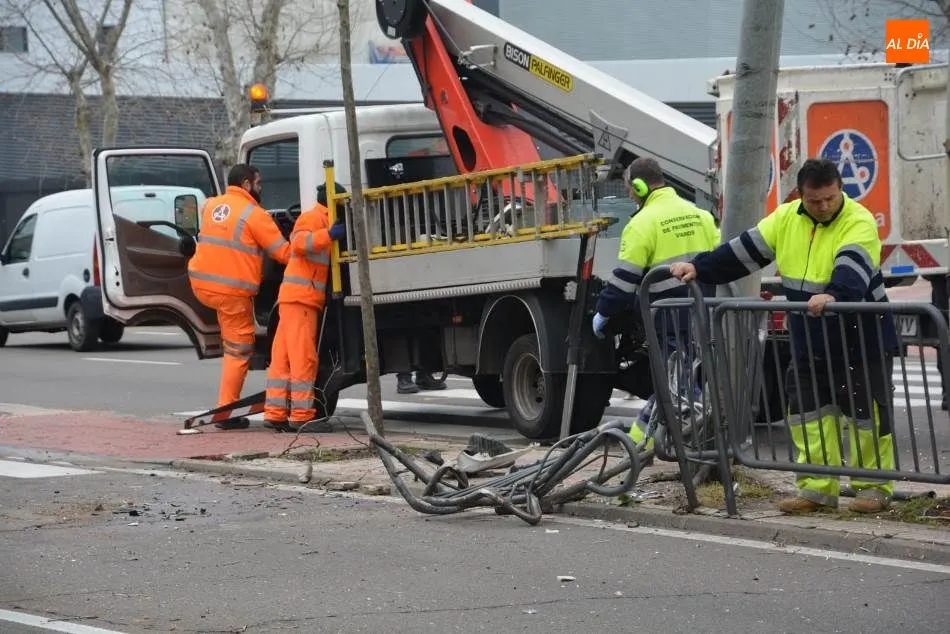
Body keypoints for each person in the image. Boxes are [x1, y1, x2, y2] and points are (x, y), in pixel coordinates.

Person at [669, 158, 898, 514]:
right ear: (800, 196)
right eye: (815, 201)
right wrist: (700, 266)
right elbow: (742, 252)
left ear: (840, 190)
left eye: (830, 199)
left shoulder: (859, 219)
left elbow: (853, 266)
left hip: (859, 338)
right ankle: (817, 489)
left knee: (867, 417)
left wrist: (834, 294)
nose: (823, 207)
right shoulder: (786, 218)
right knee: (810, 415)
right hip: (810, 336)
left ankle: (873, 489)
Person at [591, 156, 720, 449]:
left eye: (628, 189)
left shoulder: (642, 223)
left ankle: (638, 450)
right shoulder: (699, 214)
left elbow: (625, 280)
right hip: (703, 314)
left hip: (668, 319)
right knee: (682, 386)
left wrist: (603, 313)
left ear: (637, 186)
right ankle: (654, 449)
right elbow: (719, 259)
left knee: (675, 390)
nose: (628, 195)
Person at [188, 164, 291, 425]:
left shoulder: (211, 205)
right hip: (231, 291)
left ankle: (225, 407)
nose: (260, 188)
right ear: (246, 184)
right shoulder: (255, 215)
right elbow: (283, 254)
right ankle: (225, 411)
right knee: (238, 349)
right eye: (258, 183)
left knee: (231, 341)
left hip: (201, 284)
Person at [262, 185, 346, 432]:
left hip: (293, 297)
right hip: (302, 299)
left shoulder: (321, 218)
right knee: (303, 358)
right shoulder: (314, 217)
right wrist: (329, 235)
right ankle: (301, 415)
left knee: (283, 359)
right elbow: (298, 243)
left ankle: (275, 413)